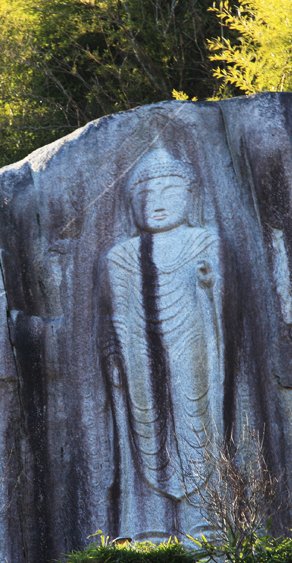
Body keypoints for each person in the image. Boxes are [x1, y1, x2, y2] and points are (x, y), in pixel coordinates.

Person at [99, 149, 224, 517]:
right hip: (140, 359)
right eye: (145, 195)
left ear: (192, 197)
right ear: (131, 207)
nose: (157, 203)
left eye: (170, 191)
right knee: (143, 427)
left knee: (200, 421)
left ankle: (213, 516)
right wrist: (115, 351)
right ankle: (146, 521)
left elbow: (226, 309)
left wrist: (210, 287)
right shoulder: (120, 256)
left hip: (196, 349)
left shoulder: (206, 241)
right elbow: (117, 316)